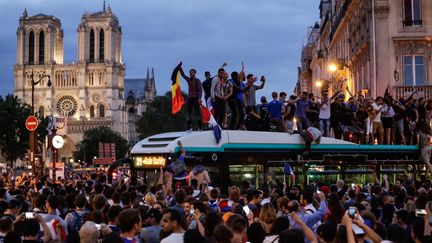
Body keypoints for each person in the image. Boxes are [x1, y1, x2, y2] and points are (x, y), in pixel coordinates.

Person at [179, 65, 203, 130]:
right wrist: (180, 67)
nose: (191, 73)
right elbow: (183, 75)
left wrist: (199, 98)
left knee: (197, 113)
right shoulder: (189, 80)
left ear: (195, 73)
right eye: (190, 72)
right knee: (188, 113)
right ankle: (190, 127)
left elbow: (200, 90)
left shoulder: (197, 80)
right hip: (189, 98)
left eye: (192, 72)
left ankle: (199, 127)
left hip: (195, 98)